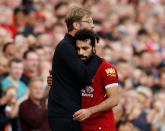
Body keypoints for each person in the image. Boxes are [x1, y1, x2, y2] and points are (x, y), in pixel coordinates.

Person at [48, 7, 102, 131]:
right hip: (64, 113)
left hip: (70, 111)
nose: (93, 26)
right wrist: (97, 56)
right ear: (76, 25)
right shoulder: (66, 47)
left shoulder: (73, 46)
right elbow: (85, 77)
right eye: (89, 22)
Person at [73, 29, 119, 131]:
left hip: (101, 125)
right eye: (78, 48)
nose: (80, 52)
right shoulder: (75, 67)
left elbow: (114, 99)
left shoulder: (107, 68)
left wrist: (90, 111)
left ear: (94, 48)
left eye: (85, 48)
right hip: (80, 124)